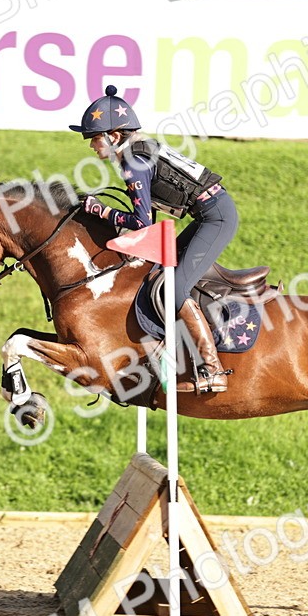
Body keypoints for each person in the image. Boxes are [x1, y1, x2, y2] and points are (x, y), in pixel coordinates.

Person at [70, 85, 235, 394]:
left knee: (173, 289)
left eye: (94, 139)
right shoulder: (137, 152)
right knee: (157, 274)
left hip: (216, 216)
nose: (92, 146)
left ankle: (212, 369)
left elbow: (141, 221)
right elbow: (149, 222)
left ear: (114, 136)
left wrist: (100, 209)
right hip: (209, 213)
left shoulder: (134, 162)